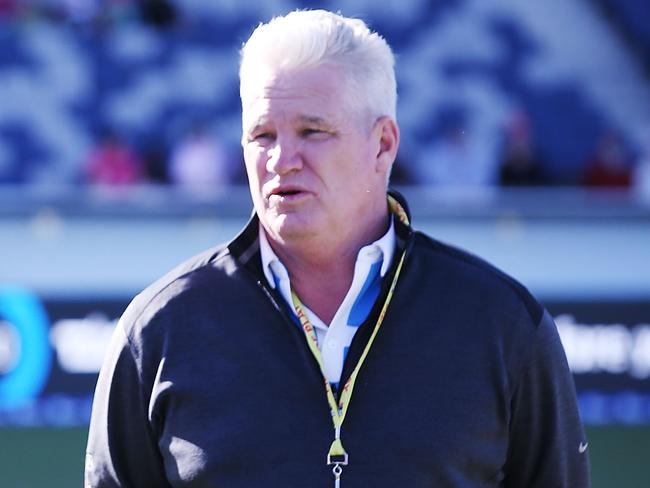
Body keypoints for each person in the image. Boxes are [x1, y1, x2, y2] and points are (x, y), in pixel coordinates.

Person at [85, 10, 590, 488]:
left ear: (383, 145)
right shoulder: (158, 328)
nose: (282, 159)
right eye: (262, 135)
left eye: (313, 131)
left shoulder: (502, 323)